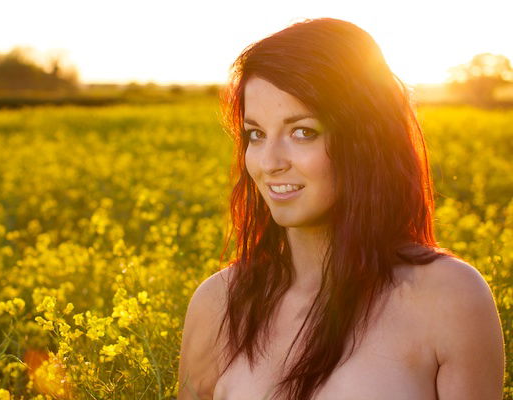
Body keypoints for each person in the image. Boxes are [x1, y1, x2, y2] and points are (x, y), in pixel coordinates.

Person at [177, 17, 505, 400]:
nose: (269, 162)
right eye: (256, 134)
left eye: (303, 132)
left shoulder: (450, 299)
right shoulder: (218, 304)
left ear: (366, 140)